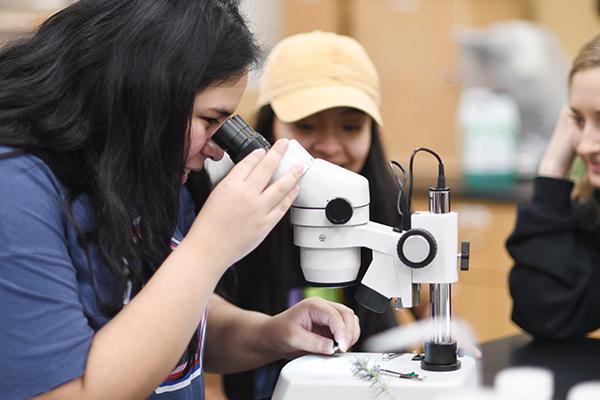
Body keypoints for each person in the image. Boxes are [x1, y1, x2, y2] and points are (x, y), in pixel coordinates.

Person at [0, 2, 361, 400]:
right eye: (210, 121)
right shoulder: (17, 191)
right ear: (142, 95)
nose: (218, 150)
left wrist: (269, 333)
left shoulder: (141, 172)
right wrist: (210, 247)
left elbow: (175, 321)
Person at [211, 31, 426, 400]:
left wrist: (442, 333)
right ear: (268, 128)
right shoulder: (229, 211)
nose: (329, 147)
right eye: (307, 126)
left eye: (350, 127)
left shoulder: (389, 198)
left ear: (372, 132)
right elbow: (203, 340)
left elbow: (423, 299)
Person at [507, 34, 600, 339]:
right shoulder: (593, 209)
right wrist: (552, 170)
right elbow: (546, 314)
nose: (585, 145)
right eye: (579, 120)